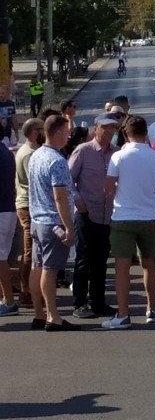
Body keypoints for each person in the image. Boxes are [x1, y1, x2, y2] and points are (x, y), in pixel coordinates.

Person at [101, 116, 155, 329]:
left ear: (125, 133)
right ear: (145, 134)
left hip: (123, 217)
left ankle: (123, 315)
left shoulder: (118, 157)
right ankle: (152, 309)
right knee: (148, 264)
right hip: (148, 216)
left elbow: (109, 188)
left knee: (122, 268)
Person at [28, 114, 80, 330]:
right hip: (53, 222)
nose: (68, 137)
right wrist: (69, 227)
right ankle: (53, 316)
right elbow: (60, 197)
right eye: (67, 133)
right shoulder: (56, 160)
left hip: (37, 220)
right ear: (58, 133)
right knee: (49, 270)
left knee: (37, 267)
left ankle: (39, 313)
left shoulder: (36, 155)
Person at [68, 114, 118, 319]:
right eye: (105, 128)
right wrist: (78, 200)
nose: (109, 132)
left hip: (108, 214)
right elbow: (67, 180)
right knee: (83, 260)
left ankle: (97, 302)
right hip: (87, 212)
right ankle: (79, 303)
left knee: (101, 259)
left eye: (112, 128)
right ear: (95, 128)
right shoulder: (83, 150)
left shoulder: (116, 153)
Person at [13, 117, 42, 309]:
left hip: (28, 204)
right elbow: (35, 183)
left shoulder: (29, 151)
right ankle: (26, 292)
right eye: (41, 129)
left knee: (30, 250)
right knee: (29, 252)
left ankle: (30, 290)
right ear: (34, 132)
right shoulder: (29, 154)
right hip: (29, 205)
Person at [0, 134, 17, 315]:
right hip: (6, 209)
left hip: (2, 211)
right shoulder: (4, 150)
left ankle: (9, 301)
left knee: (1, 259)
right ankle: (7, 300)